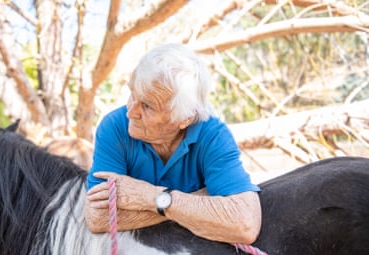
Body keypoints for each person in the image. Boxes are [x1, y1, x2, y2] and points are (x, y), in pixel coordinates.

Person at [85, 43, 261, 244]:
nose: (130, 112)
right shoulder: (114, 127)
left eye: (148, 106)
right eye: (132, 94)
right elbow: (97, 218)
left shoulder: (213, 135)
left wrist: (148, 197)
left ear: (185, 119)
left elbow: (245, 224)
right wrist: (198, 203)